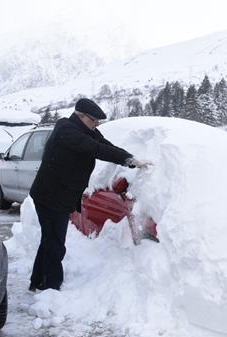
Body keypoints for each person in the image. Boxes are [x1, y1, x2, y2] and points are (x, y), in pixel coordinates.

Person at [28, 98, 150, 291]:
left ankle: (38, 281)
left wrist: (131, 158)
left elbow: (105, 144)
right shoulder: (67, 131)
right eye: (94, 121)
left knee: (49, 240)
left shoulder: (86, 130)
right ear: (81, 116)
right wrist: (127, 160)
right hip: (50, 196)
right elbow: (97, 149)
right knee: (55, 243)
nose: (96, 125)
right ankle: (51, 287)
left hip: (59, 194)